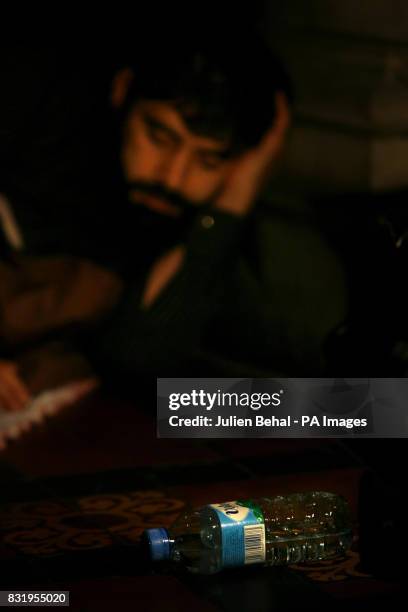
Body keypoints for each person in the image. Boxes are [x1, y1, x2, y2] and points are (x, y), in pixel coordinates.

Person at [0, 32, 296, 409]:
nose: (172, 177)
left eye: (208, 161)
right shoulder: (43, 161)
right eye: (160, 138)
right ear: (123, 91)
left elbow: (138, 361)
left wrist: (235, 201)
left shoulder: (201, 233)